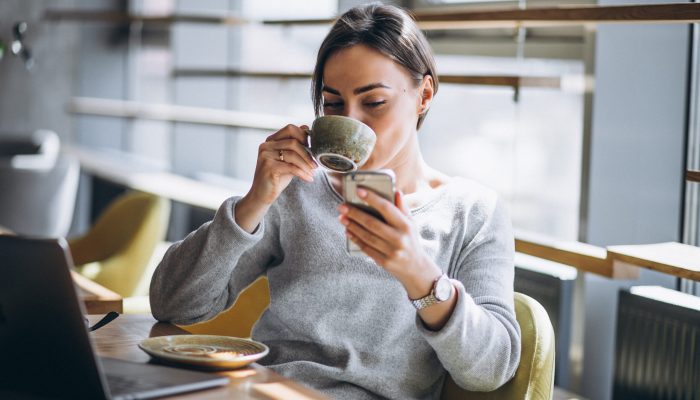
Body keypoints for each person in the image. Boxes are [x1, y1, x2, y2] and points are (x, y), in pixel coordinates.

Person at [150, 4, 521, 399]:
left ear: (424, 94)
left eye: (374, 102)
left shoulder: (473, 212)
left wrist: (419, 276)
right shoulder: (298, 190)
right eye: (333, 104)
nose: (353, 120)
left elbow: (492, 368)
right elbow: (173, 304)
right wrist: (253, 203)